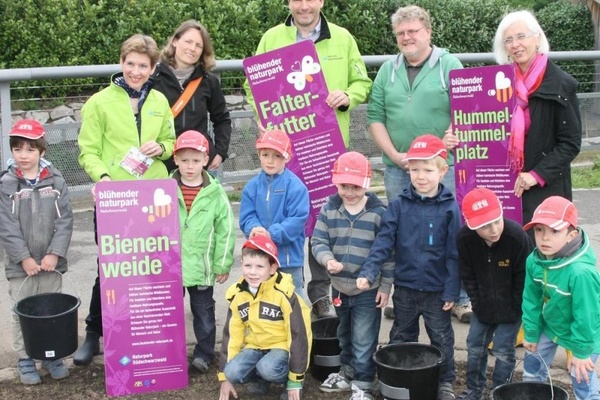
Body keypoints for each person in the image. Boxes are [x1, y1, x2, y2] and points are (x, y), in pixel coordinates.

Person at [244, 0, 373, 319]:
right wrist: (262, 114)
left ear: (321, 2)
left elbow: (362, 83)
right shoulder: (271, 38)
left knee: (321, 219)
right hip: (284, 149)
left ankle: (319, 295)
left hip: (324, 149)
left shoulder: (342, 38)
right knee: (278, 215)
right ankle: (276, 286)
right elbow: (252, 86)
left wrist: (347, 96)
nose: (304, 5)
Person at [75, 33, 176, 365]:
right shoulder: (99, 102)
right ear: (121, 63)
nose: (135, 71)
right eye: (130, 64)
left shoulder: (160, 101)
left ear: (153, 67)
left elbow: (171, 142)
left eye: (143, 65)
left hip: (153, 197)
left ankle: (148, 336)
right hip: (114, 199)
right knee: (111, 268)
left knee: (152, 267)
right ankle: (94, 333)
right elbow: (88, 151)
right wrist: (102, 179)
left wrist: (161, 148)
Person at [366, 5, 471, 323]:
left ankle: (462, 298)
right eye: (400, 33)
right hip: (400, 168)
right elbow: (375, 118)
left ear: (427, 31)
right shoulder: (388, 70)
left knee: (452, 230)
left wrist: (453, 136)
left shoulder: (449, 64)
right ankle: (405, 296)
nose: (406, 37)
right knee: (403, 232)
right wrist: (396, 155)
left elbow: (466, 110)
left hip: (442, 167)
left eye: (412, 31)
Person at [357, 134, 460, 400]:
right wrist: (369, 272)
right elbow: (383, 242)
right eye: (414, 169)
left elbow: (454, 254)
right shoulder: (399, 205)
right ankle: (400, 380)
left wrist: (452, 291)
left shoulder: (451, 209)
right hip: (405, 289)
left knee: (442, 338)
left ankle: (445, 381)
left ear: (442, 170)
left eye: (428, 169)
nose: (421, 176)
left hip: (437, 291)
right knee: (401, 336)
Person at [311, 151, 394, 400]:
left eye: (355, 187)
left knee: (363, 339)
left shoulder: (379, 213)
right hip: (339, 287)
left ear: (366, 184)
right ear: (336, 183)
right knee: (344, 335)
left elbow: (388, 252)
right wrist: (328, 260)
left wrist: (385, 286)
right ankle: (347, 373)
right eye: (344, 186)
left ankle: (364, 383)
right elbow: (318, 240)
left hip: (367, 290)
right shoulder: (329, 209)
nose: (349, 192)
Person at [0, 119, 74, 384]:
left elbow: (65, 220)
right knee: (22, 310)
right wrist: (24, 258)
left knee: (50, 309)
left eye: (30, 150)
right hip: (20, 266)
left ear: (42, 152)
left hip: (50, 263)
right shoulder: (6, 185)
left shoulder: (56, 181)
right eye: (18, 149)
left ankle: (50, 355)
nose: (23, 155)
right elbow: (6, 226)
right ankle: (25, 359)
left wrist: (55, 253)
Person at [492, 10, 582, 227]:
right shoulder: (496, 84)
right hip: (506, 185)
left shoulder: (561, 84)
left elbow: (570, 143)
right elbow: (485, 129)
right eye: (509, 40)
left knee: (544, 251)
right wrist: (461, 137)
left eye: (521, 36)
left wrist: (536, 174)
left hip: (546, 187)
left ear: (538, 38)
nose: (515, 45)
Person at [456, 188, 533, 400]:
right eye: (484, 226)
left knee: (503, 350)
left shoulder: (517, 237)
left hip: (511, 308)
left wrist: (517, 308)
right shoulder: (464, 239)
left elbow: (524, 278)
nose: (493, 230)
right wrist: (476, 302)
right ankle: (474, 390)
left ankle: (500, 392)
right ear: (471, 225)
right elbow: (467, 274)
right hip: (483, 307)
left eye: (496, 221)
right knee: (474, 347)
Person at [521, 196, 600, 400]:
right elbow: (531, 298)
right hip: (552, 324)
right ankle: (533, 395)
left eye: (554, 231)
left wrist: (581, 353)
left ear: (571, 235)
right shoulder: (535, 260)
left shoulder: (581, 273)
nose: (544, 238)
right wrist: (530, 331)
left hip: (583, 333)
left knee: (581, 378)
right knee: (532, 366)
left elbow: (587, 316)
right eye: (539, 230)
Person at [218, 235, 312, 400]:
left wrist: (295, 378)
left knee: (268, 368)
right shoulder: (237, 294)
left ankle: (288, 382)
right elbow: (232, 336)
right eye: (248, 265)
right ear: (242, 265)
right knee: (231, 371)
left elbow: (299, 336)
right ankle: (261, 379)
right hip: (255, 346)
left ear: (272, 268)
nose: (252, 272)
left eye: (260, 266)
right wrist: (225, 378)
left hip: (282, 347)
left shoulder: (285, 294)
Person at [171, 130, 235, 373]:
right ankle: (172, 353)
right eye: (185, 160)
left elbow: (225, 230)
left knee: (204, 314)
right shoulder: (164, 188)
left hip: (202, 266)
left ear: (206, 160)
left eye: (196, 161)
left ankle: (205, 353)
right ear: (175, 159)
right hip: (171, 267)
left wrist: (222, 264)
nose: (190, 166)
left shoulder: (215, 192)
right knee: (170, 313)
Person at [153, 19, 232, 173]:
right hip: (161, 163)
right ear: (175, 41)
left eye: (198, 45)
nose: (192, 48)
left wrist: (220, 152)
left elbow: (222, 119)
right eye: (188, 41)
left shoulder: (209, 81)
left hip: (197, 164)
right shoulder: (153, 78)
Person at [239, 129, 309, 298]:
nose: (270, 161)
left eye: (277, 156)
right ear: (259, 154)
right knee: (260, 300)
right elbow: (247, 216)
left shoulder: (296, 186)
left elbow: (297, 219)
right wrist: (254, 229)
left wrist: (271, 234)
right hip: (260, 258)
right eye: (265, 155)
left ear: (287, 157)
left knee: (292, 299)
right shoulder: (252, 186)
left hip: (288, 258)